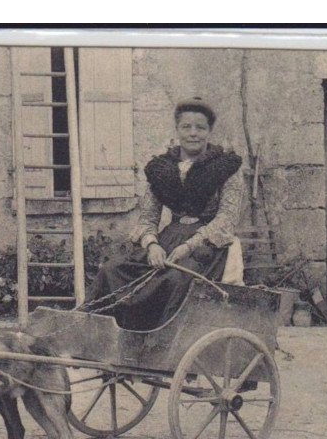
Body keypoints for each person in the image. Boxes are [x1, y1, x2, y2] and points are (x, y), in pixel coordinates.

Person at [86, 97, 245, 330]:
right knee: (113, 270)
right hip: (168, 239)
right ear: (177, 129)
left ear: (209, 131)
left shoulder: (227, 166)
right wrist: (152, 245)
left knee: (176, 279)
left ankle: (157, 344)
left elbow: (227, 218)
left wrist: (189, 246)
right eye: (186, 127)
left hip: (207, 246)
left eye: (200, 127)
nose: (193, 133)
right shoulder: (161, 168)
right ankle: (110, 338)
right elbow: (148, 217)